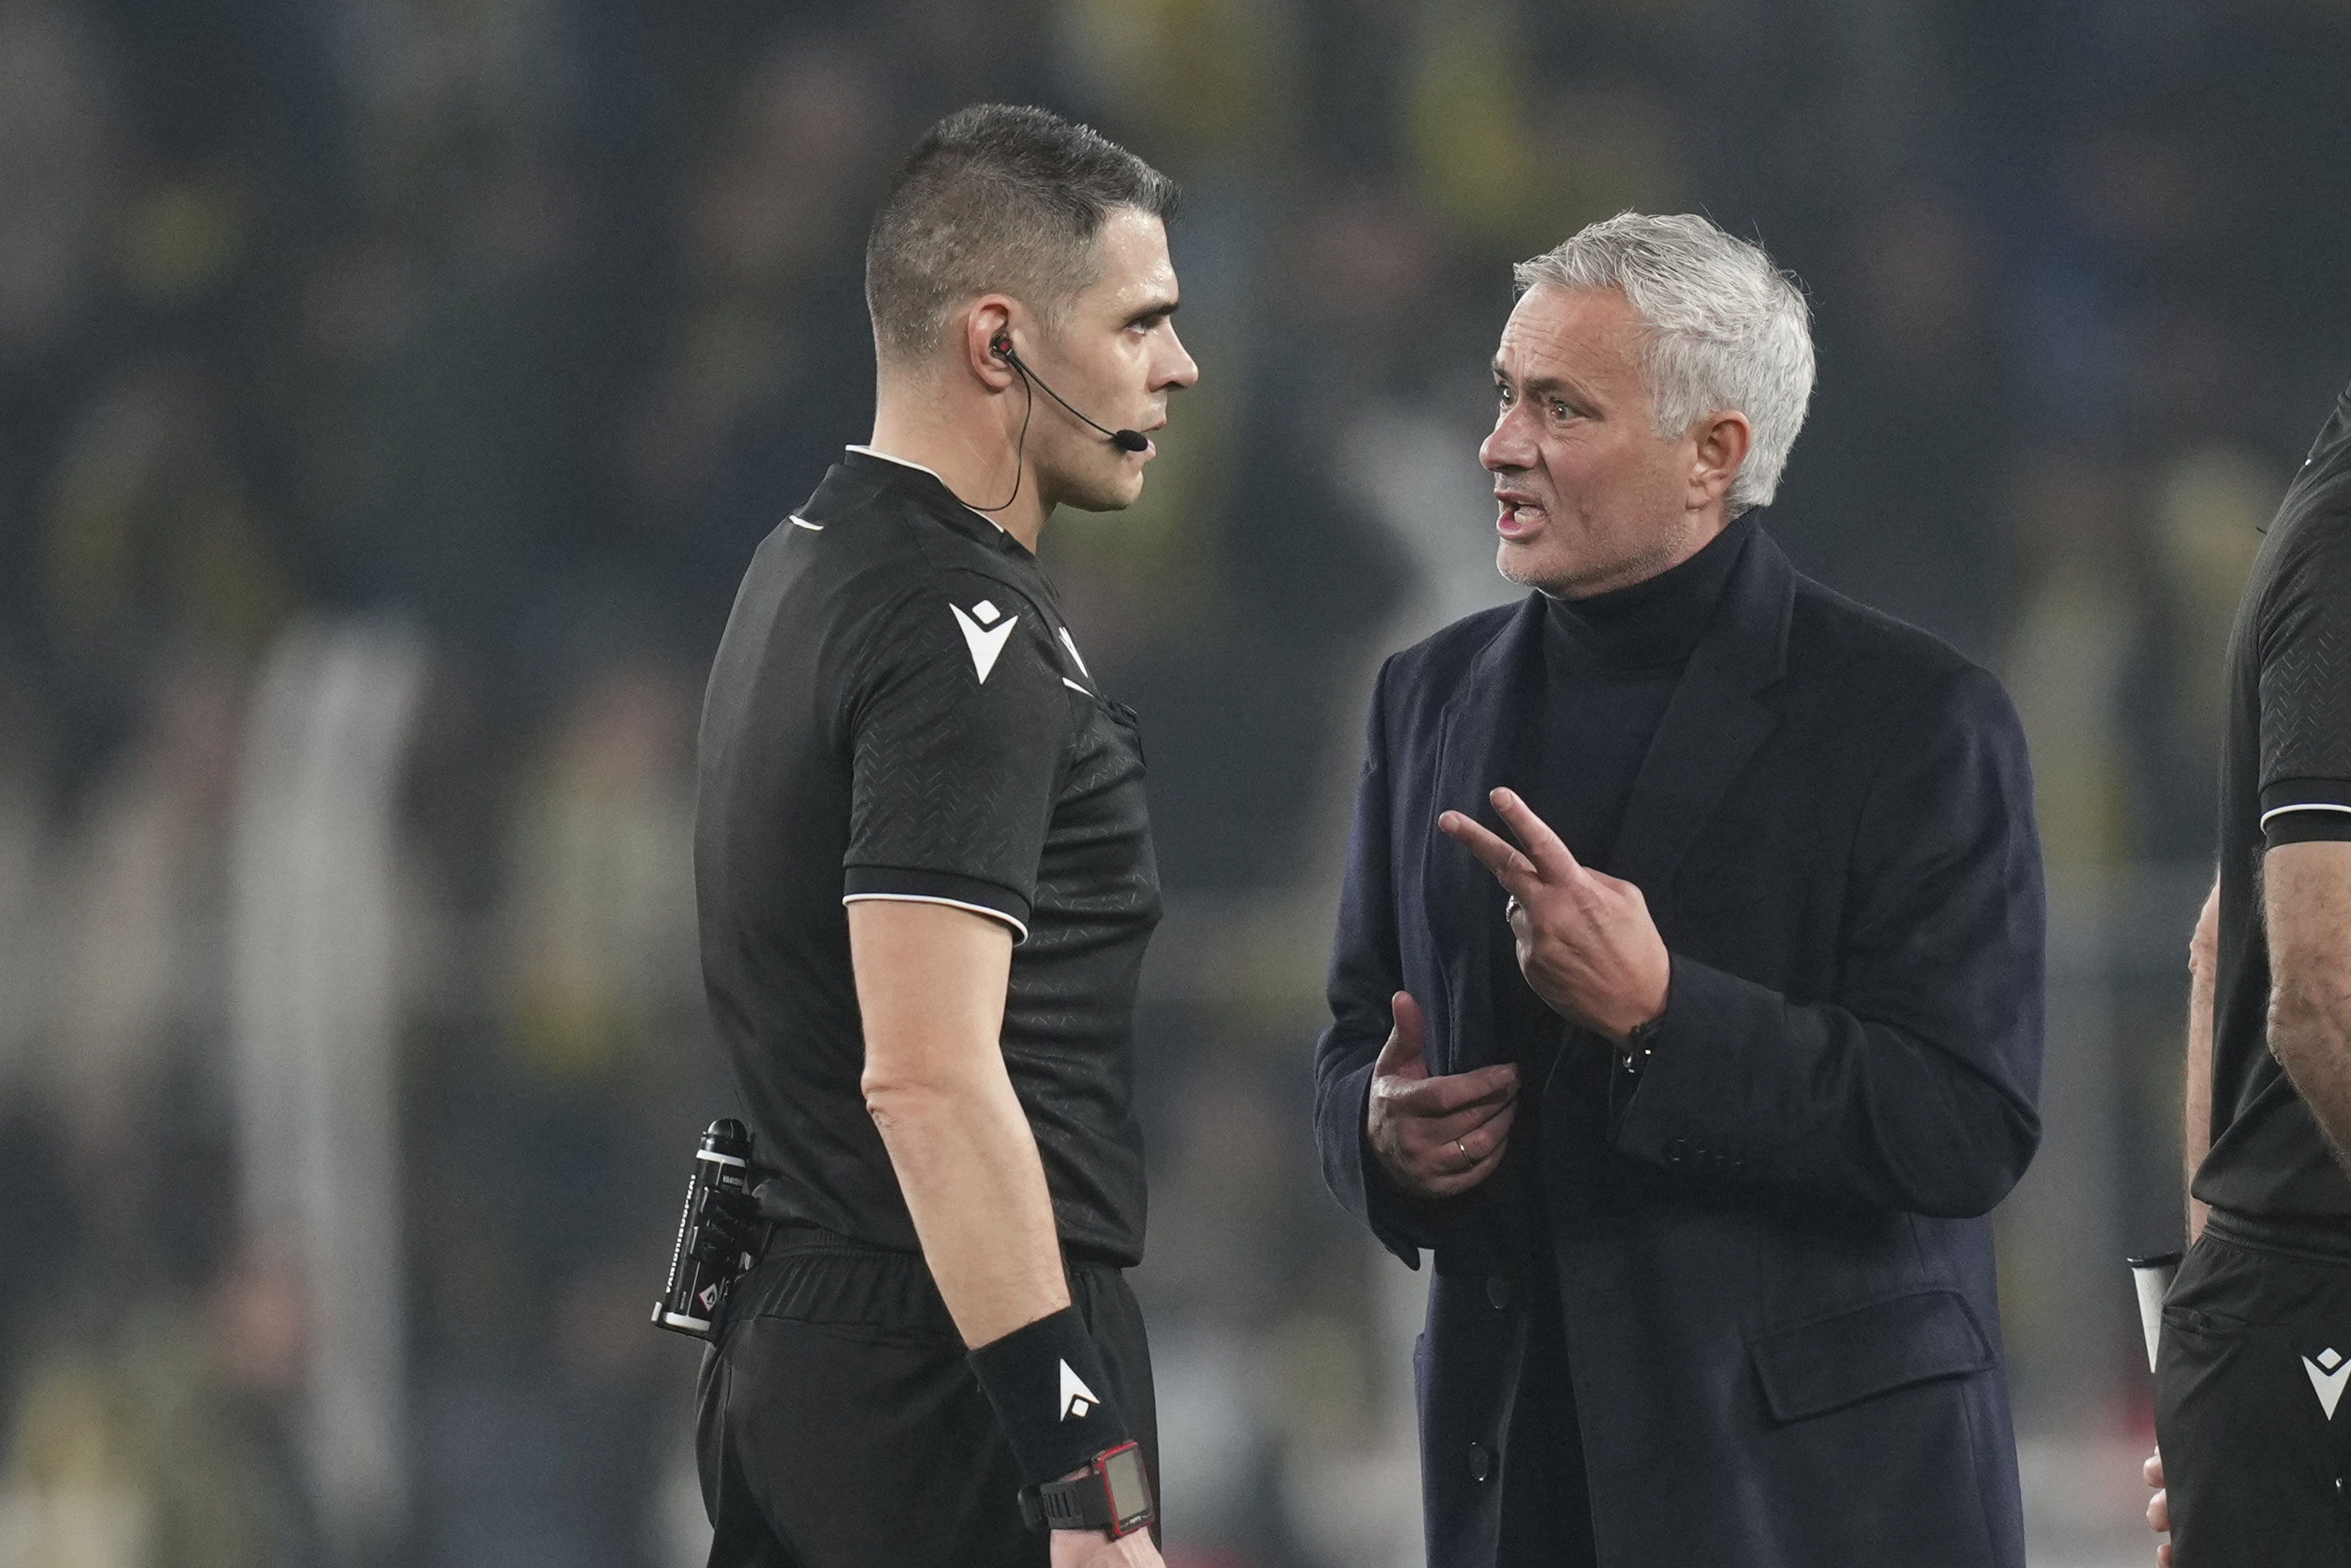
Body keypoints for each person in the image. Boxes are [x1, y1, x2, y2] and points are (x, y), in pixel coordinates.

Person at [1311, 211, 2046, 1567]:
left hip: (1814, 1502)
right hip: (1521, 1484)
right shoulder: (1426, 698)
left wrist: (1663, 1015)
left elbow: (1965, 1122)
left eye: (1561, 407)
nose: (1501, 445)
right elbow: (1356, 1033)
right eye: (1503, 395)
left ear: (1717, 452)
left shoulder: (1915, 718)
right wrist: (1379, 1133)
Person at [690, 104, 1196, 1568]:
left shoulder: (801, 568)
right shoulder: (959, 633)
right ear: (999, 344)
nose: (1179, 365)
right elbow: (925, 1074)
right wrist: (1087, 1481)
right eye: (1141, 322)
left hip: (804, 1332)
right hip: (953, 1366)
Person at [2146, 376, 2351, 1567]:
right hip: (2321, 1292)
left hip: (2274, 1321)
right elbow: (2317, 990)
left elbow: (2233, 933)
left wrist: (2199, 1349)